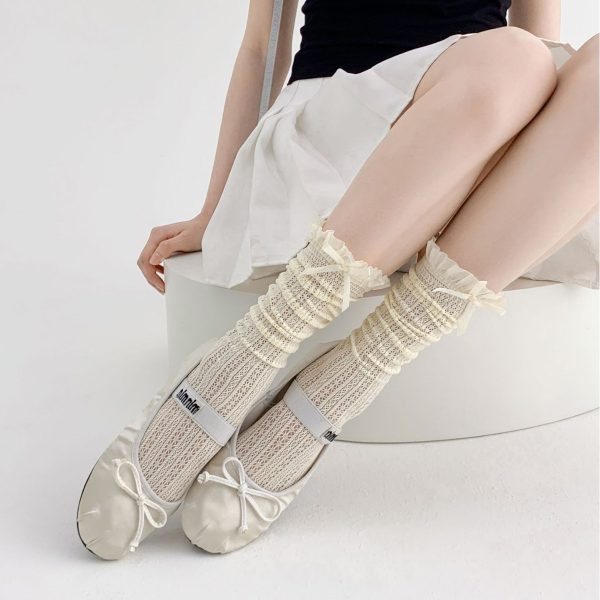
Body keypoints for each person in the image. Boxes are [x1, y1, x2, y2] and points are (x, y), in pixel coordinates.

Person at [78, 0, 598, 559]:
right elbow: (261, 48)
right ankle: (249, 355)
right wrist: (216, 208)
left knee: (534, 62)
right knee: (514, 58)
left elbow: (548, 64)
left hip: (479, 135)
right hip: (340, 125)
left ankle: (347, 377)